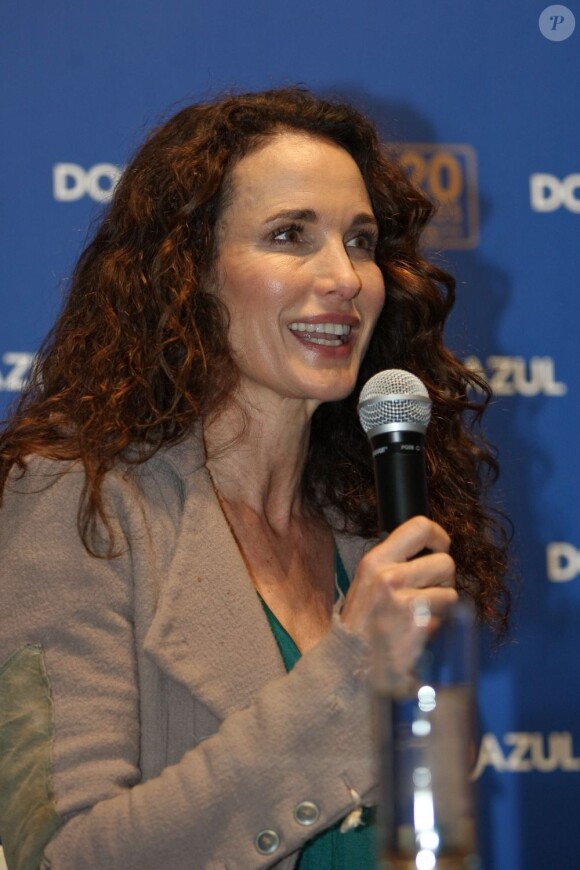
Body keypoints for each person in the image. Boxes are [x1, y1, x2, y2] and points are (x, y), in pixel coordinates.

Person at [0, 87, 509, 869]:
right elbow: (64, 857)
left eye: (362, 241)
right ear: (190, 272)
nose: (344, 276)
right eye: (289, 236)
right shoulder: (81, 501)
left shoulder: (370, 518)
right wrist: (351, 672)